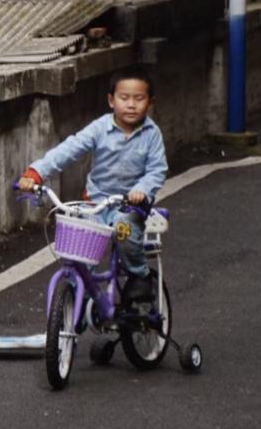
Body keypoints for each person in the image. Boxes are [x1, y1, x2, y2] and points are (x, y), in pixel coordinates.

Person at [18, 66, 167, 307]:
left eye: (139, 99)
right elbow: (70, 149)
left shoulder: (152, 134)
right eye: (124, 98)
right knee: (80, 250)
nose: (131, 105)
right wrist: (37, 173)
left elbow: (157, 170)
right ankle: (81, 296)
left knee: (124, 230)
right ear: (111, 100)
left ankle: (139, 276)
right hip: (96, 203)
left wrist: (142, 190)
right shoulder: (99, 129)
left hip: (131, 206)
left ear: (150, 102)